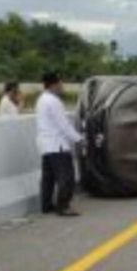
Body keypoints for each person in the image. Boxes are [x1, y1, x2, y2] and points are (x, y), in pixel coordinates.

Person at [35, 72, 82, 217]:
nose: (62, 86)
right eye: (61, 83)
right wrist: (79, 139)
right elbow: (64, 125)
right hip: (57, 145)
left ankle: (46, 205)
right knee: (66, 177)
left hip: (45, 145)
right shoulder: (54, 101)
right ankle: (63, 207)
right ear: (54, 84)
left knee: (48, 178)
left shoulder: (41, 100)